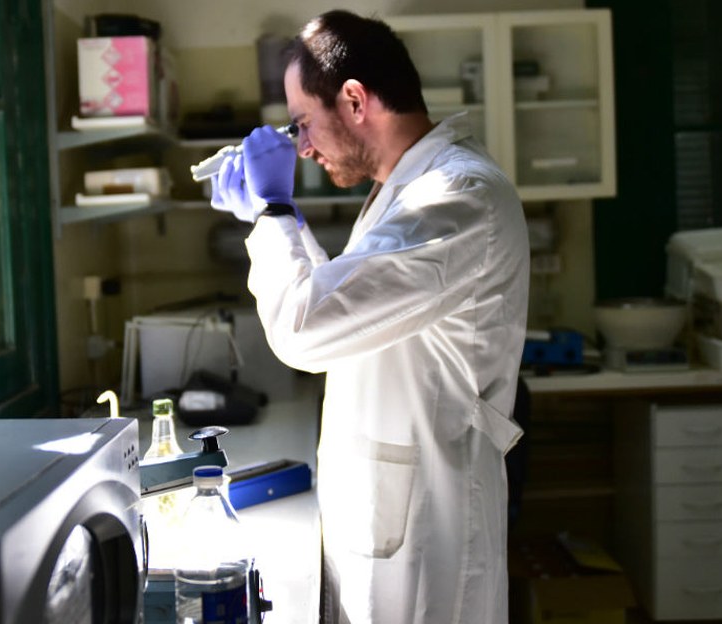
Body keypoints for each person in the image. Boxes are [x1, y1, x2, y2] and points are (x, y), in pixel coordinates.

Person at [208, 9, 530, 624]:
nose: (303, 146)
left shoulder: (458, 197)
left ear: (355, 100)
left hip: (429, 531)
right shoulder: (404, 188)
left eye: (303, 123)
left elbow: (307, 331)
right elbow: (347, 302)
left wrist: (275, 212)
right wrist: (273, 218)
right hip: (385, 505)